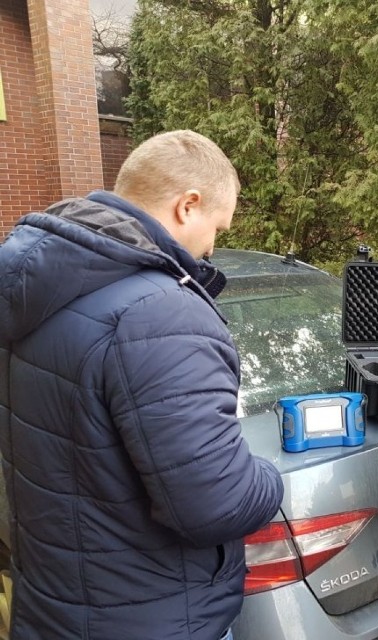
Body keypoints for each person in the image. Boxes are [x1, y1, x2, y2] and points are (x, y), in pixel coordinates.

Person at [0, 130, 285, 639]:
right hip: (152, 619)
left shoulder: (30, 291)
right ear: (187, 206)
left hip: (51, 608)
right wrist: (269, 475)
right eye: (218, 226)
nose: (213, 245)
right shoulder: (161, 312)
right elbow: (215, 503)